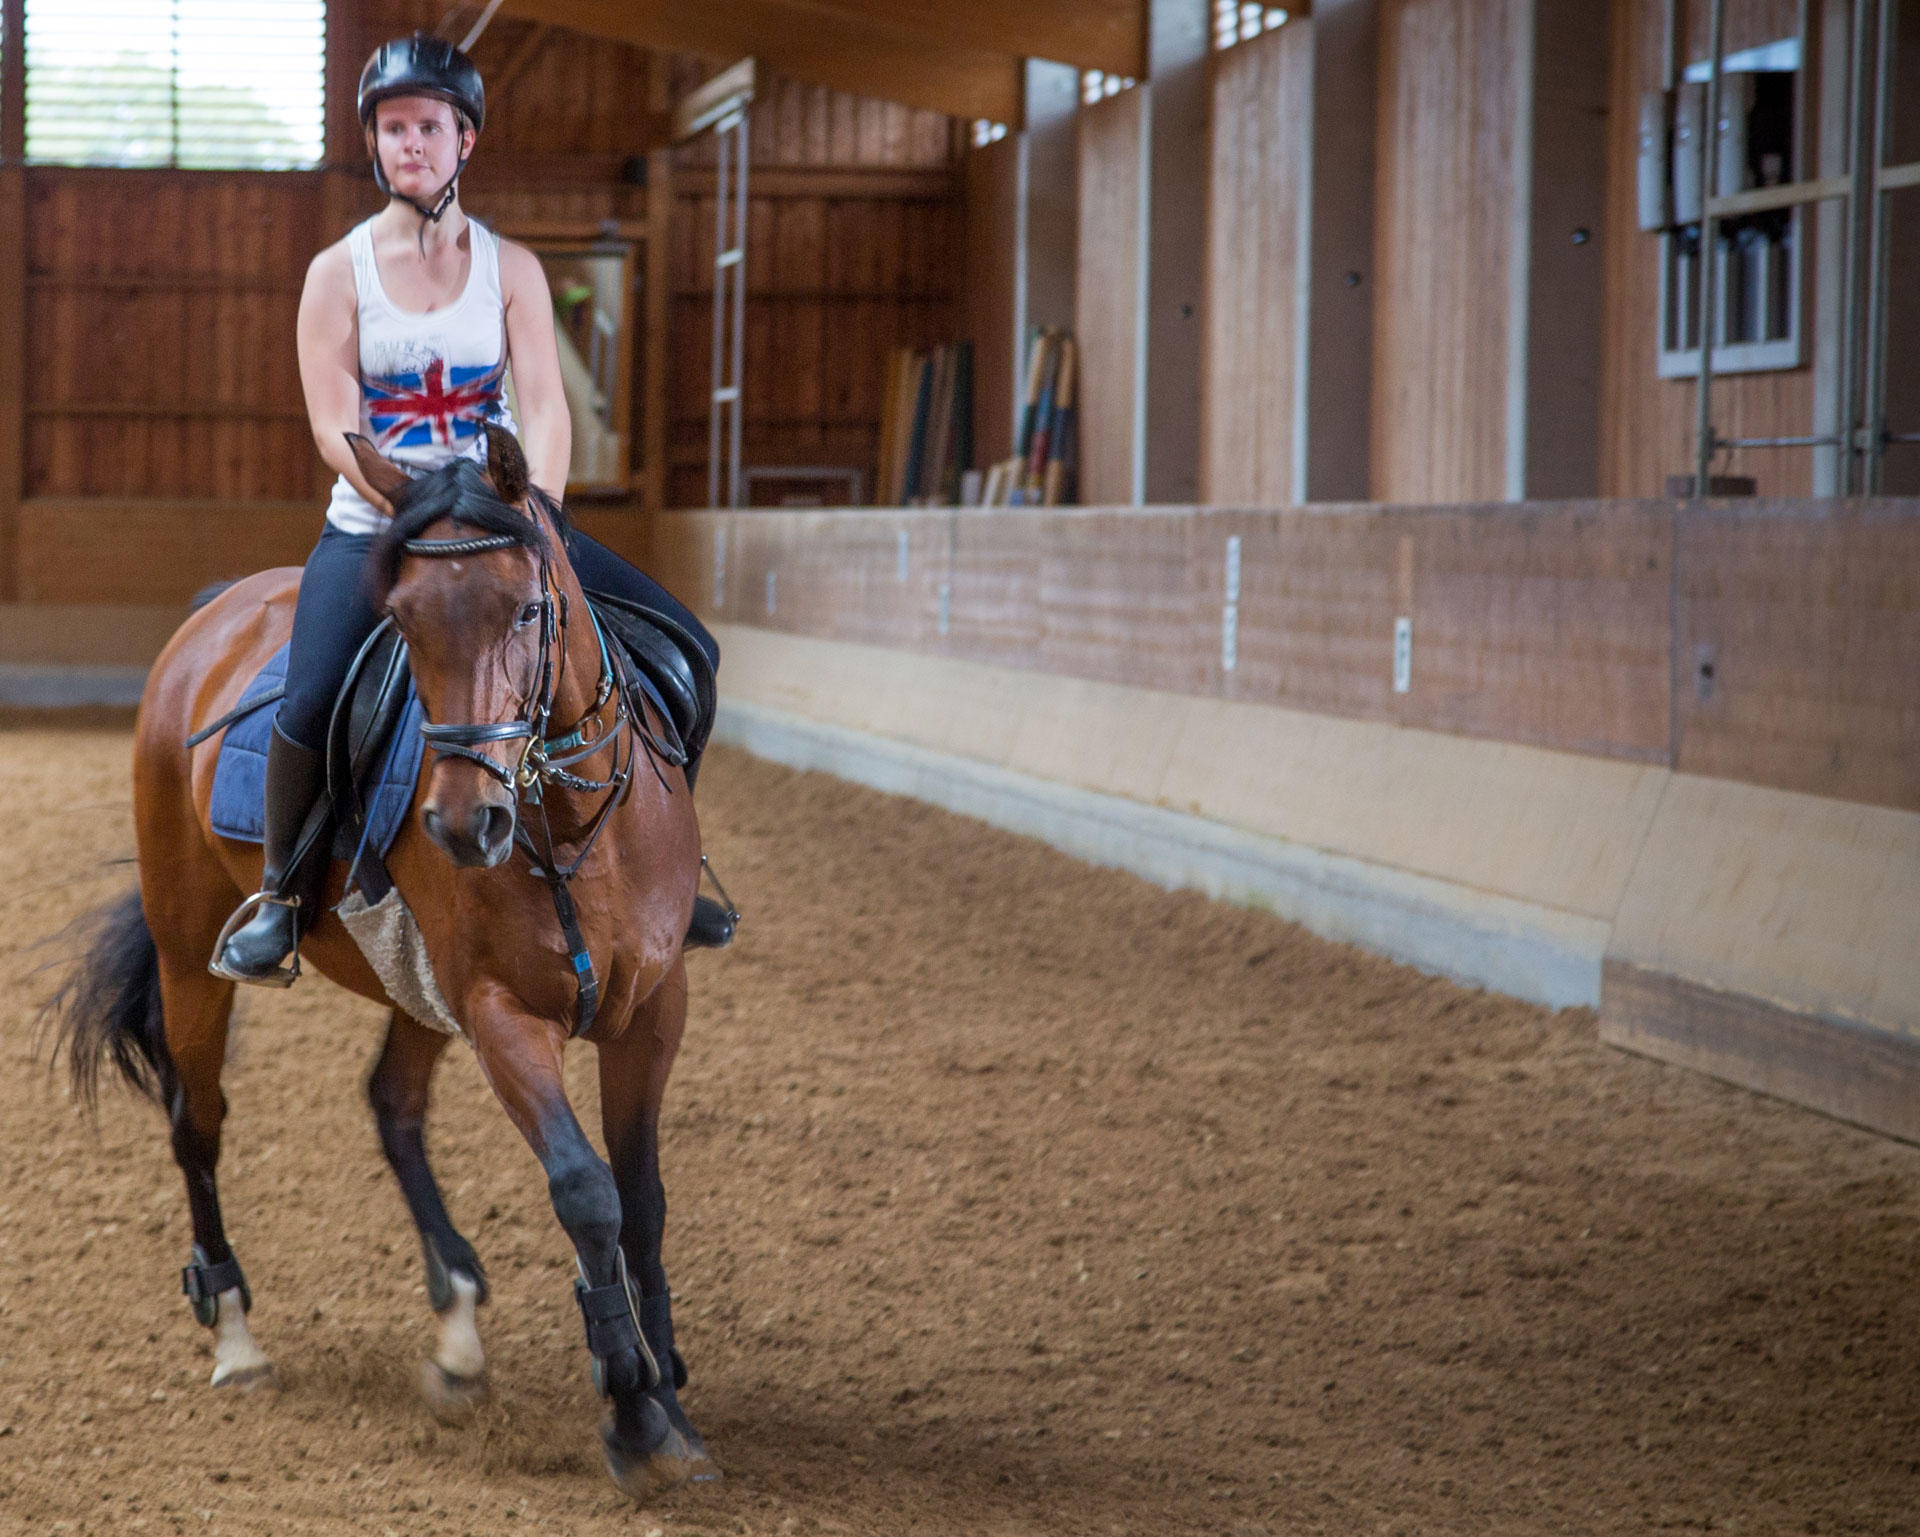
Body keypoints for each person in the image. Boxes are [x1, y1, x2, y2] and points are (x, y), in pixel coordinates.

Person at [212, 34, 730, 987]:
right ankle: (284, 896)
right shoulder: (339, 274)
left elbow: (548, 407)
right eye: (394, 127)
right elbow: (336, 426)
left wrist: (544, 515)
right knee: (312, 696)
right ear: (376, 145)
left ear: (465, 142)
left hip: (506, 523)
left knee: (688, 648)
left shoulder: (513, 270)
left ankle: (674, 866)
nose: (411, 142)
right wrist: (403, 505)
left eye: (429, 127)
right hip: (381, 525)